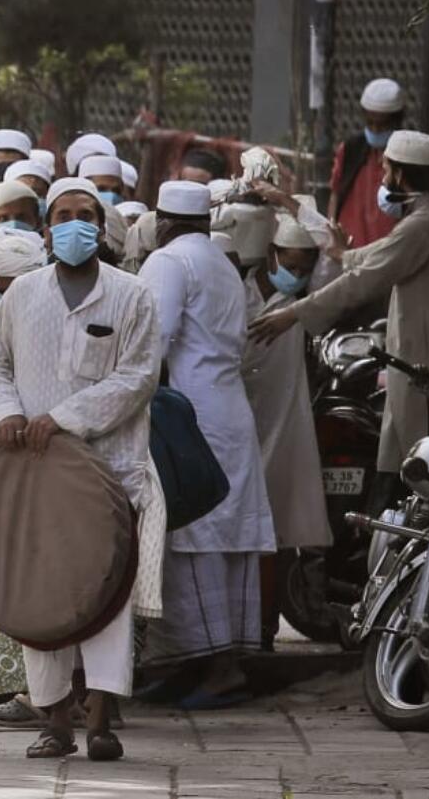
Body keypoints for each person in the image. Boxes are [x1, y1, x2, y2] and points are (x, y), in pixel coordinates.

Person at [0, 176, 164, 760]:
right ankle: (54, 721)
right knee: (42, 593)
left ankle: (101, 720)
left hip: (112, 472)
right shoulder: (21, 295)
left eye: (86, 213)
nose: (74, 223)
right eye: (63, 214)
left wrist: (61, 417)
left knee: (107, 596)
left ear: (100, 227)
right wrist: (5, 413)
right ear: (47, 227)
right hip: (36, 475)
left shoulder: (132, 296)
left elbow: (137, 378)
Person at [250, 130, 429, 497]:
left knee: (425, 477)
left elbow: (362, 279)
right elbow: (358, 254)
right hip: (419, 367)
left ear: (402, 175)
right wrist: (287, 202)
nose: (383, 178)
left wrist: (292, 314)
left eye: (387, 169)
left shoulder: (423, 225)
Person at [137, 181, 275, 709]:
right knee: (226, 534)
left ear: (164, 220)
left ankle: (217, 669)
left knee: (194, 532)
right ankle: (205, 664)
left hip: (188, 412)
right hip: (229, 408)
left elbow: (152, 339)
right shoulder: (221, 261)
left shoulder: (169, 262)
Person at [240, 209, 333, 649]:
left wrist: (286, 201)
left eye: (303, 268)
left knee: (278, 531)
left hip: (285, 423)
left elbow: (332, 244)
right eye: (289, 265)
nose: (296, 275)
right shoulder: (235, 289)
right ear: (269, 255)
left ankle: (265, 631)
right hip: (237, 424)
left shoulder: (305, 302)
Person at [328, 78, 405, 249]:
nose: (375, 131)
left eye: (382, 125)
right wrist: (332, 232)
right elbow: (336, 192)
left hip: (390, 251)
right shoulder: (351, 149)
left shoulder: (409, 155)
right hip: (350, 248)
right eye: (370, 124)